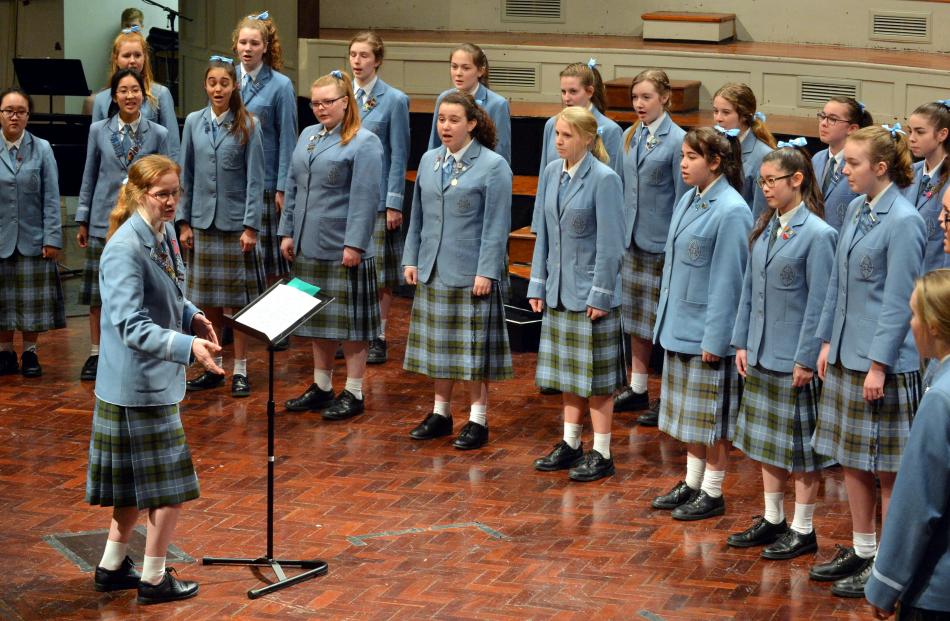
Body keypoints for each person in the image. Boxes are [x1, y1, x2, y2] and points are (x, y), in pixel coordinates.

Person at [85, 154, 222, 605]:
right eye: (162, 194)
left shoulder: (161, 235)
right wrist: (188, 348)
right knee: (169, 490)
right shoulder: (125, 248)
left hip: (142, 383)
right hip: (138, 386)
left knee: (129, 486)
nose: (170, 201)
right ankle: (154, 577)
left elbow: (170, 292)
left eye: (174, 193)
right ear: (140, 193)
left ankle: (110, 566)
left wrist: (193, 315)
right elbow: (130, 325)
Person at [810, 124, 926, 598]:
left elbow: (900, 301)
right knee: (852, 461)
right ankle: (862, 548)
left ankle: (887, 562)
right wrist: (824, 342)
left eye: (853, 163)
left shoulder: (904, 221)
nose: (843, 169)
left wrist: (879, 364)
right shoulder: (857, 208)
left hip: (882, 367)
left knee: (887, 469)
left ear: (880, 168)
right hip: (843, 353)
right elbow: (837, 285)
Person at [727, 140, 838, 560]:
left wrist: (806, 358)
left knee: (800, 451)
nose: (766, 188)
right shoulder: (765, 226)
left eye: (772, 181)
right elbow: (749, 292)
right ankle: (773, 518)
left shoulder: (819, 235)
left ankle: (803, 527)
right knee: (765, 445)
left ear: (797, 180)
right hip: (760, 352)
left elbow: (820, 303)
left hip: (793, 359)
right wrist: (741, 341)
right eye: (762, 181)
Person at [650, 126, 753, 520]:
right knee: (688, 417)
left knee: (712, 418)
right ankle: (692, 481)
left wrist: (717, 337)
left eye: (692, 157)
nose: (683, 164)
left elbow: (730, 282)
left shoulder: (731, 210)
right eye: (682, 156)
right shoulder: (690, 200)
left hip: (707, 333)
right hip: (680, 325)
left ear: (715, 162)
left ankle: (712, 489)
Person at [402, 91, 513, 450]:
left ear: (472, 124)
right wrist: (411, 258)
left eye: (453, 120)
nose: (445, 126)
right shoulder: (430, 159)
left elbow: (497, 226)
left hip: (471, 273)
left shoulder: (493, 166)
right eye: (441, 120)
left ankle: (477, 419)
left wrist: (487, 271)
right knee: (440, 347)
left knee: (471, 350)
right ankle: (441, 413)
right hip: (433, 268)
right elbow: (417, 215)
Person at [528, 106, 625, 481]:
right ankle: (571, 443)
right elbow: (544, 235)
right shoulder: (552, 173)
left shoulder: (605, 179)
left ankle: (602, 451)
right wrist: (538, 283)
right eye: (556, 135)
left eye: (566, 135)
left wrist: (600, 294)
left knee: (596, 381)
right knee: (569, 376)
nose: (558, 141)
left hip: (589, 295)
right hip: (558, 291)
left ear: (587, 138)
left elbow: (611, 245)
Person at [279, 70, 383, 420]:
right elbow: (293, 186)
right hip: (308, 242)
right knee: (316, 321)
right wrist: (287, 231)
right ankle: (321, 386)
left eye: (327, 102)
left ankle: (353, 391)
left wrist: (354, 244)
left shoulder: (363, 141)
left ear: (345, 102)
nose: (320, 108)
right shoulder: (308, 135)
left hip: (342, 247)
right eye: (315, 103)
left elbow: (366, 198)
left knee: (351, 326)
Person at [177, 56, 265, 397]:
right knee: (207, 303)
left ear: (234, 86)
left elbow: (256, 181)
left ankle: (240, 369)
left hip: (234, 228)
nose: (218, 89)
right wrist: (184, 223)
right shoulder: (194, 123)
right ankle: (212, 366)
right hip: (201, 224)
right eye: (212, 82)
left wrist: (251, 227)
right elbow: (186, 175)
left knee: (238, 304)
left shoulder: (248, 124)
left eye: (224, 83)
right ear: (205, 85)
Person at [866, 269, 950, 620]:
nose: (910, 322)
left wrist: (883, 586)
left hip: (937, 591)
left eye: (915, 313)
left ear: (933, 325)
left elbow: (916, 504)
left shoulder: (940, 399)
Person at [77, 69, 171, 382]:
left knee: (142, 288)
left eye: (135, 90)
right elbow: (89, 175)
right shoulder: (98, 131)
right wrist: (82, 217)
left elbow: (167, 181)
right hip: (104, 221)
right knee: (98, 294)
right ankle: (96, 351)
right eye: (123, 91)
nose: (129, 96)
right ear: (114, 96)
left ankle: (140, 348)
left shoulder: (157, 133)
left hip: (142, 220)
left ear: (143, 95)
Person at [613, 69, 688, 426]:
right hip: (632, 240)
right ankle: (638, 385)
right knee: (636, 317)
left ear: (665, 98)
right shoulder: (629, 136)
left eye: (646, 97)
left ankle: (666, 395)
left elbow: (682, 197)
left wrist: (675, 243)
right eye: (635, 98)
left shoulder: (678, 141)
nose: (639, 104)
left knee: (662, 319)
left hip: (661, 244)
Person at [347, 31, 411, 365]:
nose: (357, 62)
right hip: (347, 195)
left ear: (378, 60)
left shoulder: (394, 99)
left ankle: (380, 334)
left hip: (378, 196)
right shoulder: (343, 96)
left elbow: (399, 153)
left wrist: (394, 201)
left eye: (364, 56)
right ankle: (354, 331)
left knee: (381, 272)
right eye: (353, 55)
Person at [0, 88, 64, 377]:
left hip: (33, 239)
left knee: (30, 300)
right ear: (0, 114)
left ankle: (29, 352)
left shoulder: (42, 148)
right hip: (1, 239)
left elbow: (52, 196)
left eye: (20, 111)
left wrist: (52, 237)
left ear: (28, 116)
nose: (14, 116)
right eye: (8, 111)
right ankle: (4, 353)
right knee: (3, 300)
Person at [233, 11, 298, 279]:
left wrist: (283, 186)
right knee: (237, 265)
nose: (248, 49)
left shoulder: (280, 85)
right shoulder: (226, 79)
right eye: (243, 42)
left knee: (268, 265)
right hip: (233, 180)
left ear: (266, 47)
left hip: (267, 183)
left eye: (254, 43)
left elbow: (288, 140)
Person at [92, 28, 180, 160]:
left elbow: (172, 147)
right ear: (116, 59)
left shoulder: (161, 94)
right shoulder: (101, 99)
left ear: (145, 58)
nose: (132, 61)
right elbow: (96, 151)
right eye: (126, 56)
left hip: (149, 175)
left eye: (138, 55)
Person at [535, 59, 622, 181]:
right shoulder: (551, 124)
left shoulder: (610, 130)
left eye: (573, 91)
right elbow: (544, 176)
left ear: (590, 92)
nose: (566, 98)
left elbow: (612, 180)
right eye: (563, 92)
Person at [427, 43, 511, 165]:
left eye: (465, 68)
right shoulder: (443, 98)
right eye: (454, 67)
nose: (458, 73)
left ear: (480, 71)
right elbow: (434, 144)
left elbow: (501, 152)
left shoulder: (497, 104)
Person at [712, 83, 776, 218]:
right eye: (715, 111)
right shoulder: (715, 145)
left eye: (726, 112)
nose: (718, 118)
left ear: (744, 116)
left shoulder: (764, 156)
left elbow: (761, 212)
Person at [813, 97, 873, 231]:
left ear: (852, 128)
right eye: (822, 116)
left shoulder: (861, 166)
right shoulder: (816, 159)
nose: (823, 123)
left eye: (832, 119)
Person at [903, 100, 950, 272]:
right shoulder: (909, 173)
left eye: (920, 132)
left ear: (942, 134)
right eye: (910, 131)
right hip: (906, 277)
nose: (912, 138)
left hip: (934, 282)